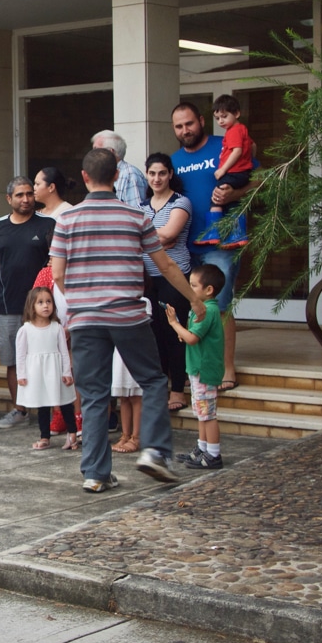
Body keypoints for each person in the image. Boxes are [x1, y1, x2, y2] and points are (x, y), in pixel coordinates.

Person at [49, 148, 205, 493]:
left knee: (93, 394)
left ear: (85, 177)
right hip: (129, 316)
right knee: (153, 380)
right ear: (117, 176)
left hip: (86, 319)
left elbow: (57, 273)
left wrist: (81, 301)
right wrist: (194, 299)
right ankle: (155, 452)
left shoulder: (67, 220)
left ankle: (95, 473)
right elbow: (165, 265)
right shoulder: (136, 216)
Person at [171, 101, 248, 392]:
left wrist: (234, 195)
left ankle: (227, 368)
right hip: (185, 245)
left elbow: (258, 181)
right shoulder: (174, 161)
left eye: (189, 123)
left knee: (220, 305)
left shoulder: (224, 144)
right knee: (191, 307)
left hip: (221, 243)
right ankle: (198, 366)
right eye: (179, 126)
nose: (185, 130)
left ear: (202, 121)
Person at [0, 177, 56, 427]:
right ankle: (20, 410)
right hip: (7, 306)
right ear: (9, 199)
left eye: (29, 194)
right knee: (13, 361)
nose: (25, 199)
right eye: (19, 195)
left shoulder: (48, 224)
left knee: (47, 359)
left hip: (43, 308)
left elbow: (56, 261)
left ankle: (52, 414)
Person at [142, 152, 193, 413]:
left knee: (175, 333)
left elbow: (171, 233)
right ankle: (160, 387)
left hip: (175, 277)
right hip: (147, 279)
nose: (157, 178)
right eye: (152, 173)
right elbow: (149, 237)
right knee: (155, 335)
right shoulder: (141, 207)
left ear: (170, 174)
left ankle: (178, 390)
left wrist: (148, 236)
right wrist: (158, 238)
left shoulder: (181, 202)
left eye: (162, 173)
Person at [167, 265, 227, 470]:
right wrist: (182, 331)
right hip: (197, 368)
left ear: (209, 290)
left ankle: (214, 453)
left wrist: (174, 324)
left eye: (193, 286)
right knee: (201, 412)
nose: (190, 289)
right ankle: (203, 448)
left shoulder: (208, 310)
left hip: (204, 369)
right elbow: (192, 334)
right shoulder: (200, 308)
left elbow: (192, 338)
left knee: (207, 414)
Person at [17, 287, 77, 451]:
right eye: (41, 302)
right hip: (37, 374)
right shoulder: (26, 330)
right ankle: (45, 436)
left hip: (56, 372)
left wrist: (66, 372)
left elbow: (63, 352)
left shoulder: (57, 328)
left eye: (49, 302)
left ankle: (72, 433)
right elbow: (20, 355)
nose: (45, 306)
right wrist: (21, 374)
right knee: (42, 404)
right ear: (32, 306)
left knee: (65, 403)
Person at [199, 94, 253, 248]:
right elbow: (252, 146)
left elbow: (237, 150)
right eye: (217, 118)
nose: (221, 121)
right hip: (243, 172)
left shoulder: (233, 131)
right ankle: (237, 234)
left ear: (236, 113)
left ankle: (213, 232)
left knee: (216, 198)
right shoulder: (242, 129)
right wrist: (248, 160)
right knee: (234, 202)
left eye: (224, 116)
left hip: (234, 172)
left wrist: (223, 169)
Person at [110, 298, 151, 454]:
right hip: (120, 352)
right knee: (124, 397)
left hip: (136, 351)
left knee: (136, 396)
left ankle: (136, 437)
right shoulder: (115, 302)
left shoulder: (144, 301)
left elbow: (143, 326)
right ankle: (125, 435)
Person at [91, 130, 147, 210]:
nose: (92, 154)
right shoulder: (104, 174)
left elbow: (136, 212)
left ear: (110, 152)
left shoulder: (129, 174)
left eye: (96, 149)